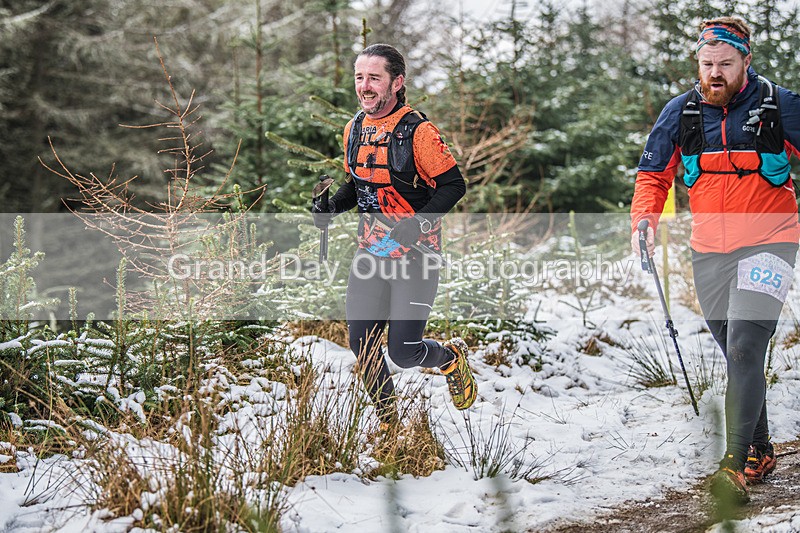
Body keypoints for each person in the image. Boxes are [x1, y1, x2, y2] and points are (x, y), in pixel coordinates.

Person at [630, 17, 800, 504]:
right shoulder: (679, 112)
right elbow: (652, 175)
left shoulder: (778, 105)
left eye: (725, 63)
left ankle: (733, 467)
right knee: (735, 351)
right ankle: (761, 448)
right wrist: (645, 219)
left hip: (771, 241)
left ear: (746, 61)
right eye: (707, 64)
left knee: (747, 345)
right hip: (708, 251)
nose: (715, 73)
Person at [312, 43, 477, 426]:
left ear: (396, 82)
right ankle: (390, 425)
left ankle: (450, 359)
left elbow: (454, 185)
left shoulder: (418, 132)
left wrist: (419, 221)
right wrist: (331, 207)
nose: (365, 86)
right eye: (359, 77)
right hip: (371, 252)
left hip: (417, 255)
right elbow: (358, 186)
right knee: (363, 347)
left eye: (374, 78)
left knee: (403, 353)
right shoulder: (354, 128)